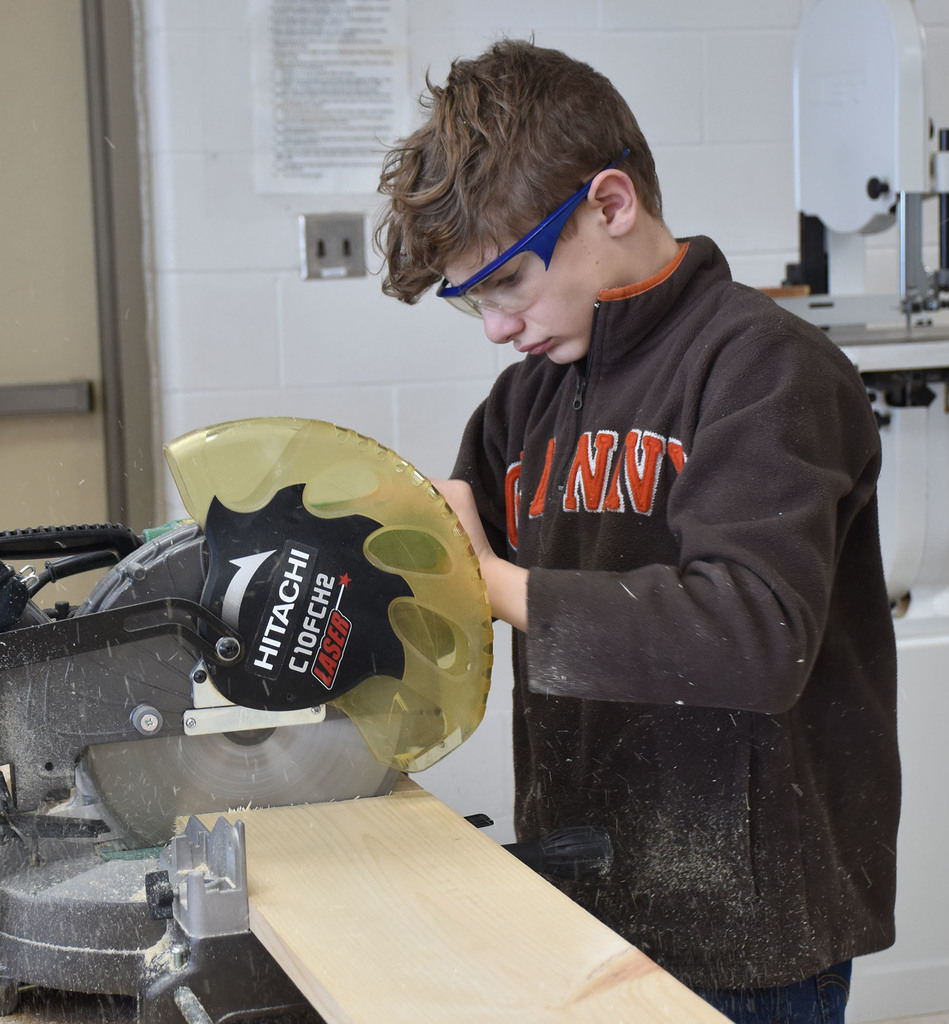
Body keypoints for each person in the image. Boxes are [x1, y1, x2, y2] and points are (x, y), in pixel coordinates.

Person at [375, 39, 900, 1023]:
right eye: (471, 302)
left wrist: (493, 582)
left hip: (748, 928)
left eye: (509, 282)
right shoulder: (525, 400)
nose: (495, 325)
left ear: (610, 205)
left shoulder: (764, 370)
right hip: (589, 889)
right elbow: (440, 559)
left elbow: (752, 635)